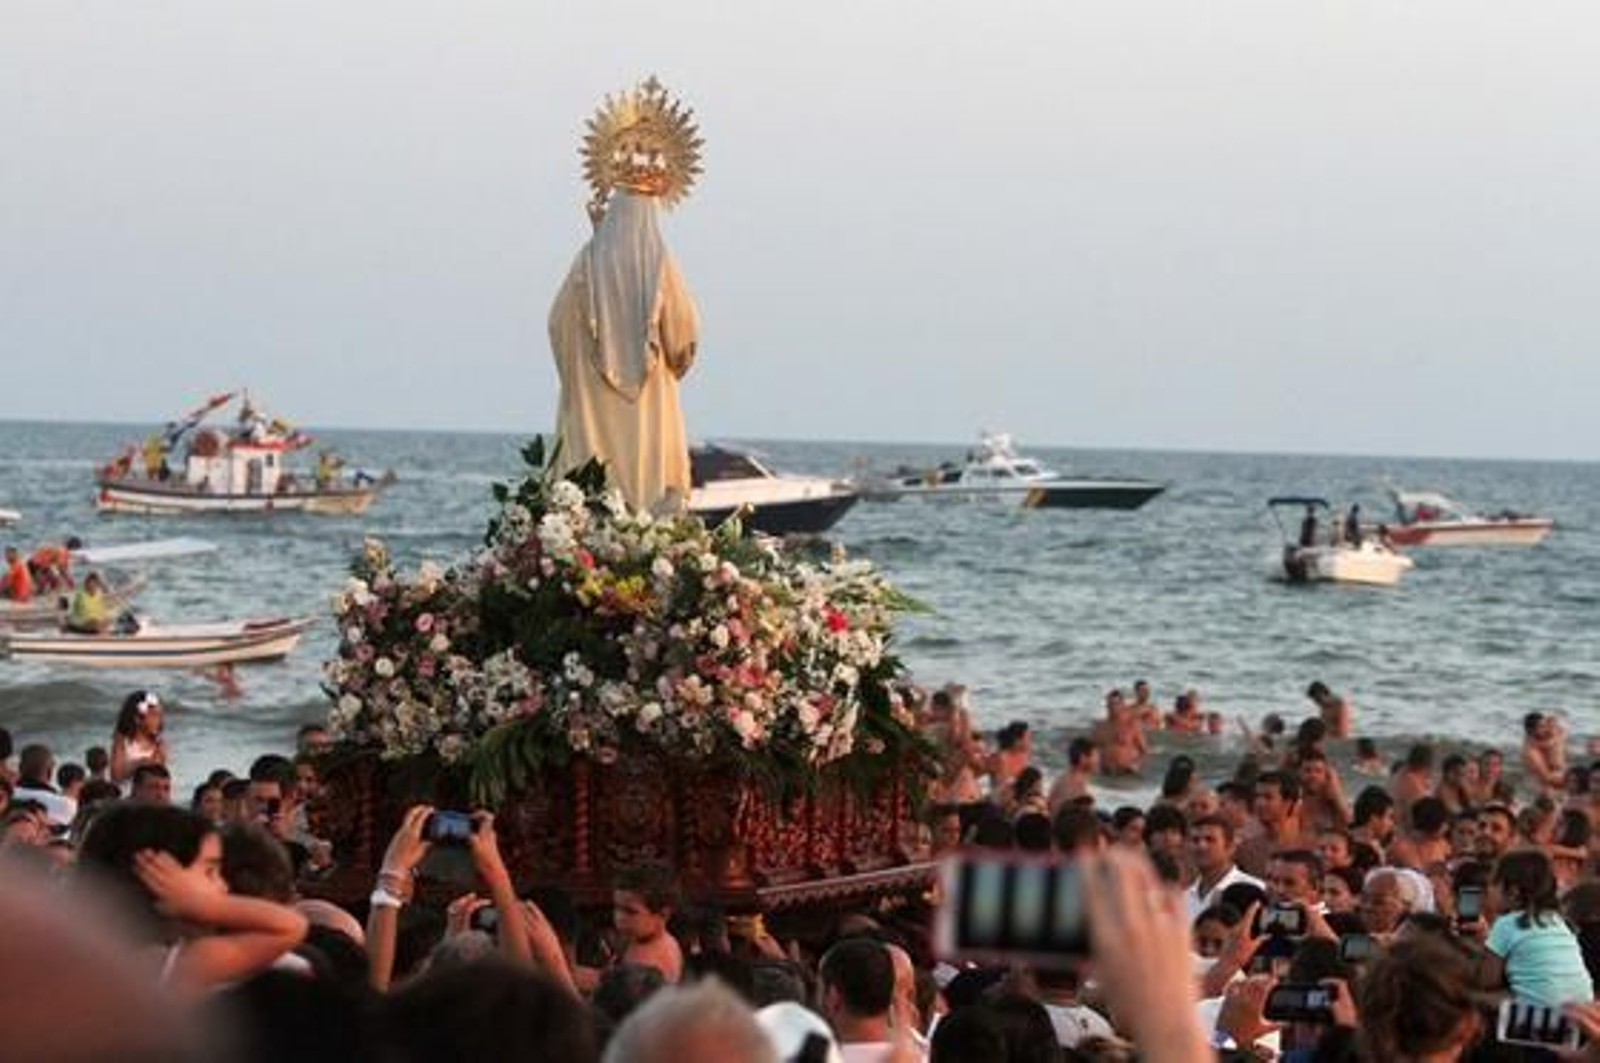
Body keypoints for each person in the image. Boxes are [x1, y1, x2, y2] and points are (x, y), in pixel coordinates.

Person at [547, 80, 702, 514]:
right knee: (648, 518)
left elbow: (557, 328)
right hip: (651, 416)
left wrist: (585, 373)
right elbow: (683, 342)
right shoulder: (660, 266)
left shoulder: (585, 266)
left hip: (589, 417)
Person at [1484, 849, 1595, 1008]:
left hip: (1540, 1017)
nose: (1488, 890)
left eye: (1493, 883)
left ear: (1513, 891)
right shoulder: (1558, 920)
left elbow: (1488, 981)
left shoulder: (1506, 924)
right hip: (1583, 1012)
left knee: (1475, 998)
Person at [613, 863, 684, 983]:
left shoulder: (650, 962)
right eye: (616, 908)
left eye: (630, 911)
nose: (619, 917)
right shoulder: (639, 939)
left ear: (663, 914)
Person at [110, 689, 169, 785]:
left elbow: (159, 776)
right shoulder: (122, 742)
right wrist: (140, 763)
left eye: (160, 715)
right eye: (154, 715)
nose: (158, 721)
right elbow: (116, 777)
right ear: (137, 719)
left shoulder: (159, 745)